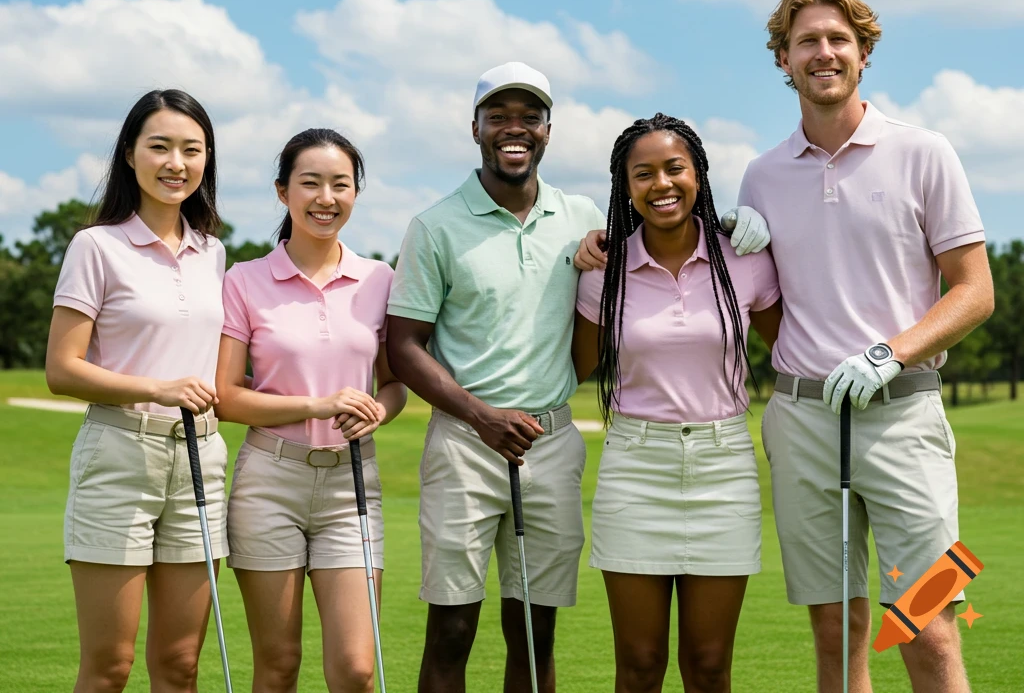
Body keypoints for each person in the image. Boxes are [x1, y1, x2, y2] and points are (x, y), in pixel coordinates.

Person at [387, 62, 771, 693]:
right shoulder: (435, 225)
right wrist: (482, 416)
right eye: (499, 117)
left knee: (536, 634)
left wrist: (736, 224)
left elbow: (659, 230)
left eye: (529, 117)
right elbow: (403, 346)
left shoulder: (585, 217)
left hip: (551, 443)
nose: (515, 129)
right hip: (466, 441)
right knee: (452, 630)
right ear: (475, 127)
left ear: (547, 130)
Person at [739, 0, 993, 693]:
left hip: (905, 417)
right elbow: (769, 312)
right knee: (835, 629)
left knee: (929, 623)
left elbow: (975, 292)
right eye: (806, 42)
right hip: (804, 421)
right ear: (782, 60)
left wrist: (892, 351)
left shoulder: (924, 152)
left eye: (838, 40)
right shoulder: (761, 176)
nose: (823, 53)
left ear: (864, 54)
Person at [572, 113, 782, 693]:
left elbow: (794, 345)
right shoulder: (604, 270)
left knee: (710, 663)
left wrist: (777, 230)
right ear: (625, 187)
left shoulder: (742, 258)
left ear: (699, 175)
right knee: (639, 665)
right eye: (643, 174)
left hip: (723, 466)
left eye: (675, 169)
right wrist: (572, 256)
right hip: (635, 467)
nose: (661, 184)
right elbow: (574, 367)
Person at [45, 89, 229, 693]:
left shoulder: (213, 253)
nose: (176, 162)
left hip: (201, 458)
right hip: (121, 453)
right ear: (129, 155)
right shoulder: (96, 246)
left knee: (179, 665)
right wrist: (158, 388)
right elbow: (62, 369)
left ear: (206, 161)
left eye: (191, 149)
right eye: (160, 146)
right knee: (110, 666)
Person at [215, 128, 406, 693]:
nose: (327, 197)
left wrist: (379, 410)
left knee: (355, 669)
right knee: (277, 667)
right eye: (311, 183)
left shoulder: (380, 279)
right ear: (283, 193)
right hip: (269, 482)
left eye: (341, 184)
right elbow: (226, 395)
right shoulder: (244, 280)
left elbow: (394, 386)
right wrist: (318, 404)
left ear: (355, 193)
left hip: (352, 484)